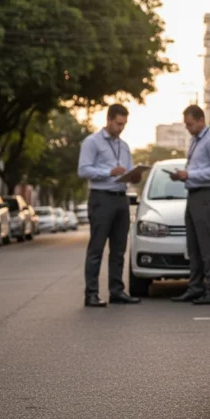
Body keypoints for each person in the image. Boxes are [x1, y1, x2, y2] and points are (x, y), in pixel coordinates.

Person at [77, 104, 143, 307]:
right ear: (108, 120)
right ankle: (91, 294)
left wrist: (135, 175)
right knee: (97, 247)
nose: (121, 127)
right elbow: (83, 169)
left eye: (124, 124)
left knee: (119, 248)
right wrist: (109, 172)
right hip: (101, 197)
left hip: (121, 198)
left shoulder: (123, 146)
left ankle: (117, 291)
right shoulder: (92, 142)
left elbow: (128, 172)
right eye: (118, 123)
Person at [169, 105, 210, 305]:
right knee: (193, 245)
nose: (188, 128)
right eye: (186, 124)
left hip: (206, 194)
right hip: (193, 194)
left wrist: (190, 175)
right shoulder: (195, 140)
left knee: (205, 244)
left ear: (201, 120)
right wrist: (183, 175)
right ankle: (195, 287)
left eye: (190, 124)